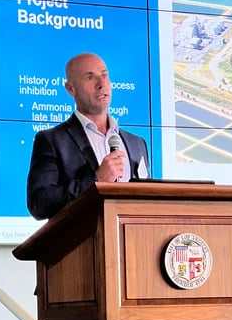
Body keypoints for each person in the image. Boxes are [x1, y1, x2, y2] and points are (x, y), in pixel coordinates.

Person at [26, 52, 150, 220]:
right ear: (71, 89)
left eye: (104, 75)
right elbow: (39, 204)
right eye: (90, 78)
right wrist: (96, 180)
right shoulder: (52, 141)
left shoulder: (137, 143)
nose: (101, 84)